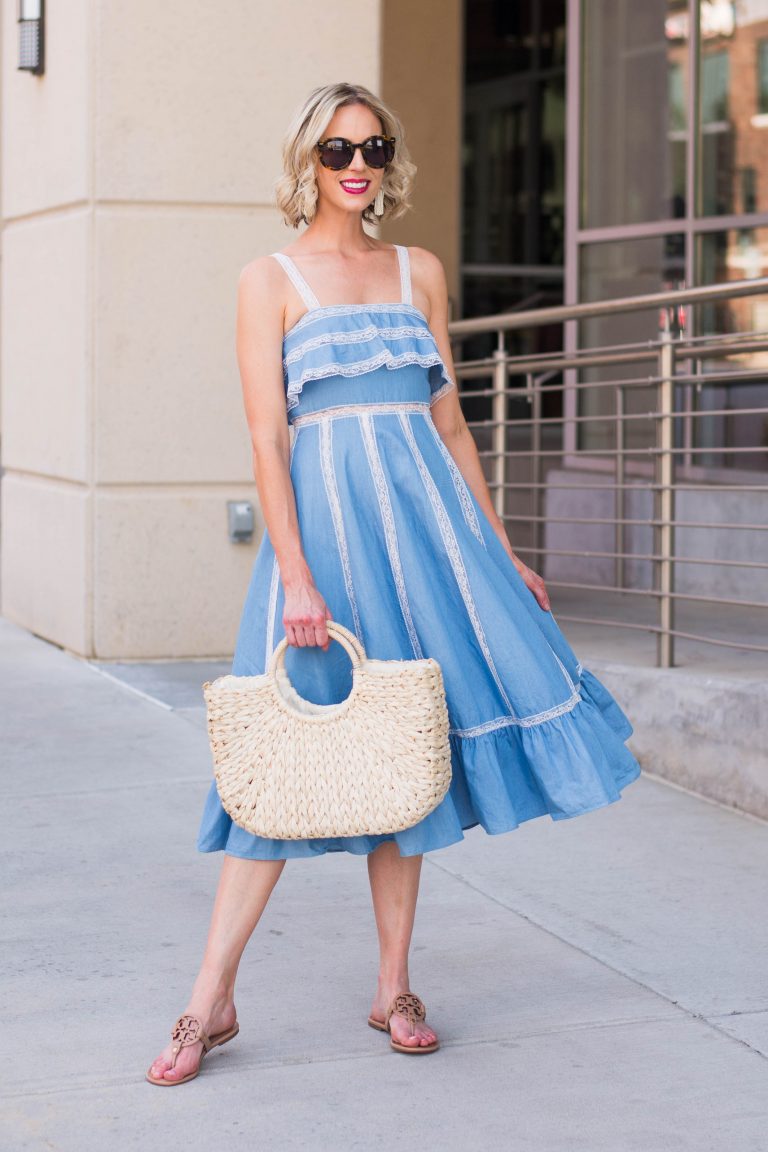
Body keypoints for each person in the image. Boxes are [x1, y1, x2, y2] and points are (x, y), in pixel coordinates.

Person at [146, 81, 641, 1086]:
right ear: (306, 163)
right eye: (335, 150)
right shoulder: (270, 277)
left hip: (429, 541)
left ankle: (394, 985)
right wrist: (293, 572)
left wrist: (501, 552)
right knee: (276, 772)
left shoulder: (420, 271)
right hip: (321, 546)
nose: (356, 164)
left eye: (371, 146)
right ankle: (211, 998)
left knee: (407, 747)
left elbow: (451, 424)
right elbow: (266, 438)